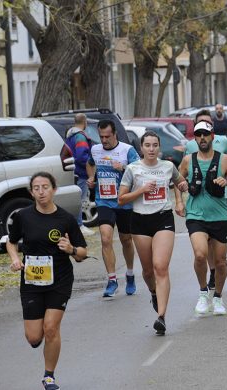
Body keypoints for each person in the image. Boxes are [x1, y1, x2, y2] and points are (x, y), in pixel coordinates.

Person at [7, 172, 87, 390]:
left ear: (54, 189)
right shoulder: (23, 216)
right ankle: (39, 339)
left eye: (45, 187)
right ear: (31, 192)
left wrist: (71, 249)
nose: (41, 192)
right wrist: (15, 259)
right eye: (36, 188)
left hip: (60, 279)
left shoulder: (65, 219)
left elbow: (82, 252)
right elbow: (11, 242)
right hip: (32, 281)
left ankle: (49, 376)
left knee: (51, 328)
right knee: (34, 337)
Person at [118, 131, 188, 335]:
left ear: (159, 147)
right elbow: (121, 199)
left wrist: (181, 191)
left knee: (161, 267)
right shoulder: (133, 169)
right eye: (147, 145)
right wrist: (141, 190)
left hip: (163, 218)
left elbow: (179, 182)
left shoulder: (167, 166)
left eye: (154, 145)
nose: (151, 149)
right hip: (140, 221)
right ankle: (153, 292)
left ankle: (162, 317)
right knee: (148, 271)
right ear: (141, 148)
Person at [177, 121, 227, 316]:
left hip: (220, 216)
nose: (202, 138)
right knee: (200, 254)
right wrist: (179, 201)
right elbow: (178, 179)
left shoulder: (224, 160)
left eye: (206, 134)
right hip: (196, 215)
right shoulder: (188, 160)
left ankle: (218, 297)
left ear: (213, 136)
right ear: (194, 138)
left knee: (221, 262)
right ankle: (203, 292)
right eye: (198, 134)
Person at [86, 120, 139, 297]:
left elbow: (139, 171)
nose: (104, 140)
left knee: (126, 239)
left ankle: (130, 274)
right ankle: (112, 279)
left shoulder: (127, 150)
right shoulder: (95, 149)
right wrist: (91, 178)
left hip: (124, 201)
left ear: (115, 134)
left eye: (107, 136)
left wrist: (123, 167)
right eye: (101, 137)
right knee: (106, 238)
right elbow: (90, 163)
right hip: (104, 201)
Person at [65, 113, 94, 237]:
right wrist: (91, 163)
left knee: (76, 199)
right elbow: (82, 156)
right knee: (79, 200)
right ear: (84, 122)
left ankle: (77, 225)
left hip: (72, 172)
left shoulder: (70, 135)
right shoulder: (80, 137)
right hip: (81, 173)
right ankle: (79, 226)